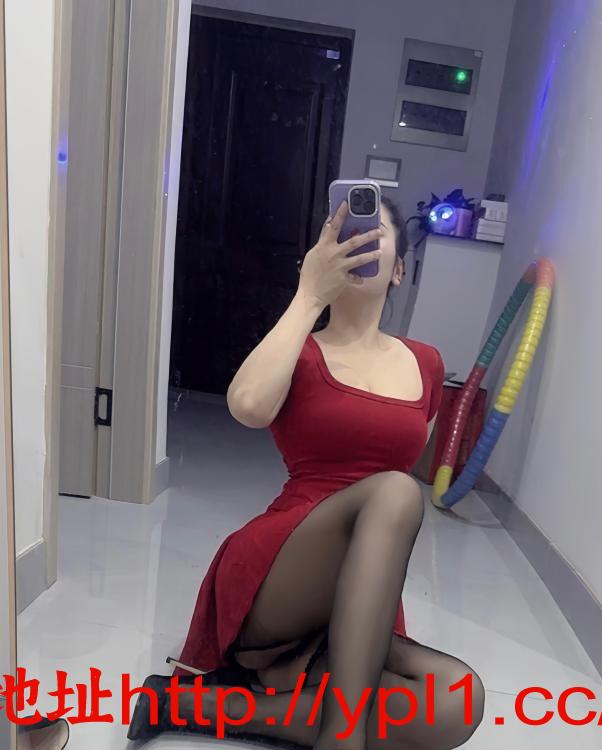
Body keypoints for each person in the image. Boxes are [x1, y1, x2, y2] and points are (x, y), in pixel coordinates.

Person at [128, 196, 485, 749]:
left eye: (371, 235)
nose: (355, 243)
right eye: (342, 235)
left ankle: (194, 704)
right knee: (395, 493)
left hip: (363, 586)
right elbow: (247, 405)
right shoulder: (299, 349)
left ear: (398, 270)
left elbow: (415, 448)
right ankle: (341, 740)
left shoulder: (427, 364)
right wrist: (309, 295)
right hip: (282, 570)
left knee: (458, 699)